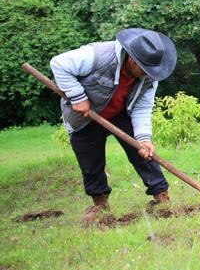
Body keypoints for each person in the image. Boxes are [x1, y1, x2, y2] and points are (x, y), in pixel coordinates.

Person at [50, 28, 177, 222]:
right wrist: (77, 96)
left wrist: (144, 138)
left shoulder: (150, 76)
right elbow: (58, 63)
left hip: (119, 113)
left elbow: (142, 107)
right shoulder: (97, 55)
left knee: (142, 151)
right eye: (144, 70)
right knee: (91, 163)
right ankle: (100, 205)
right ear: (133, 60)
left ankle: (162, 196)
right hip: (85, 116)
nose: (148, 75)